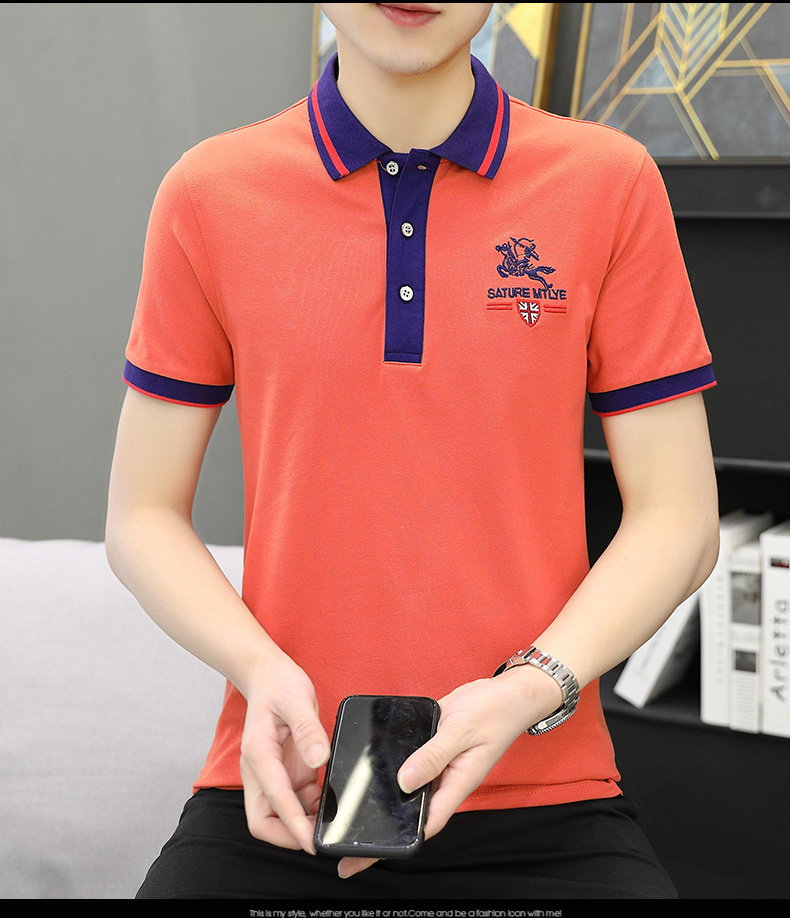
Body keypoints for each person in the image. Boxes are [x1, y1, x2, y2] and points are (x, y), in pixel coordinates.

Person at [106, 2, 720, 900]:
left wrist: (526, 690)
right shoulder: (208, 194)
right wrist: (258, 669)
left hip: (546, 800)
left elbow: (680, 520)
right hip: (287, 794)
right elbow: (141, 516)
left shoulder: (610, 184)